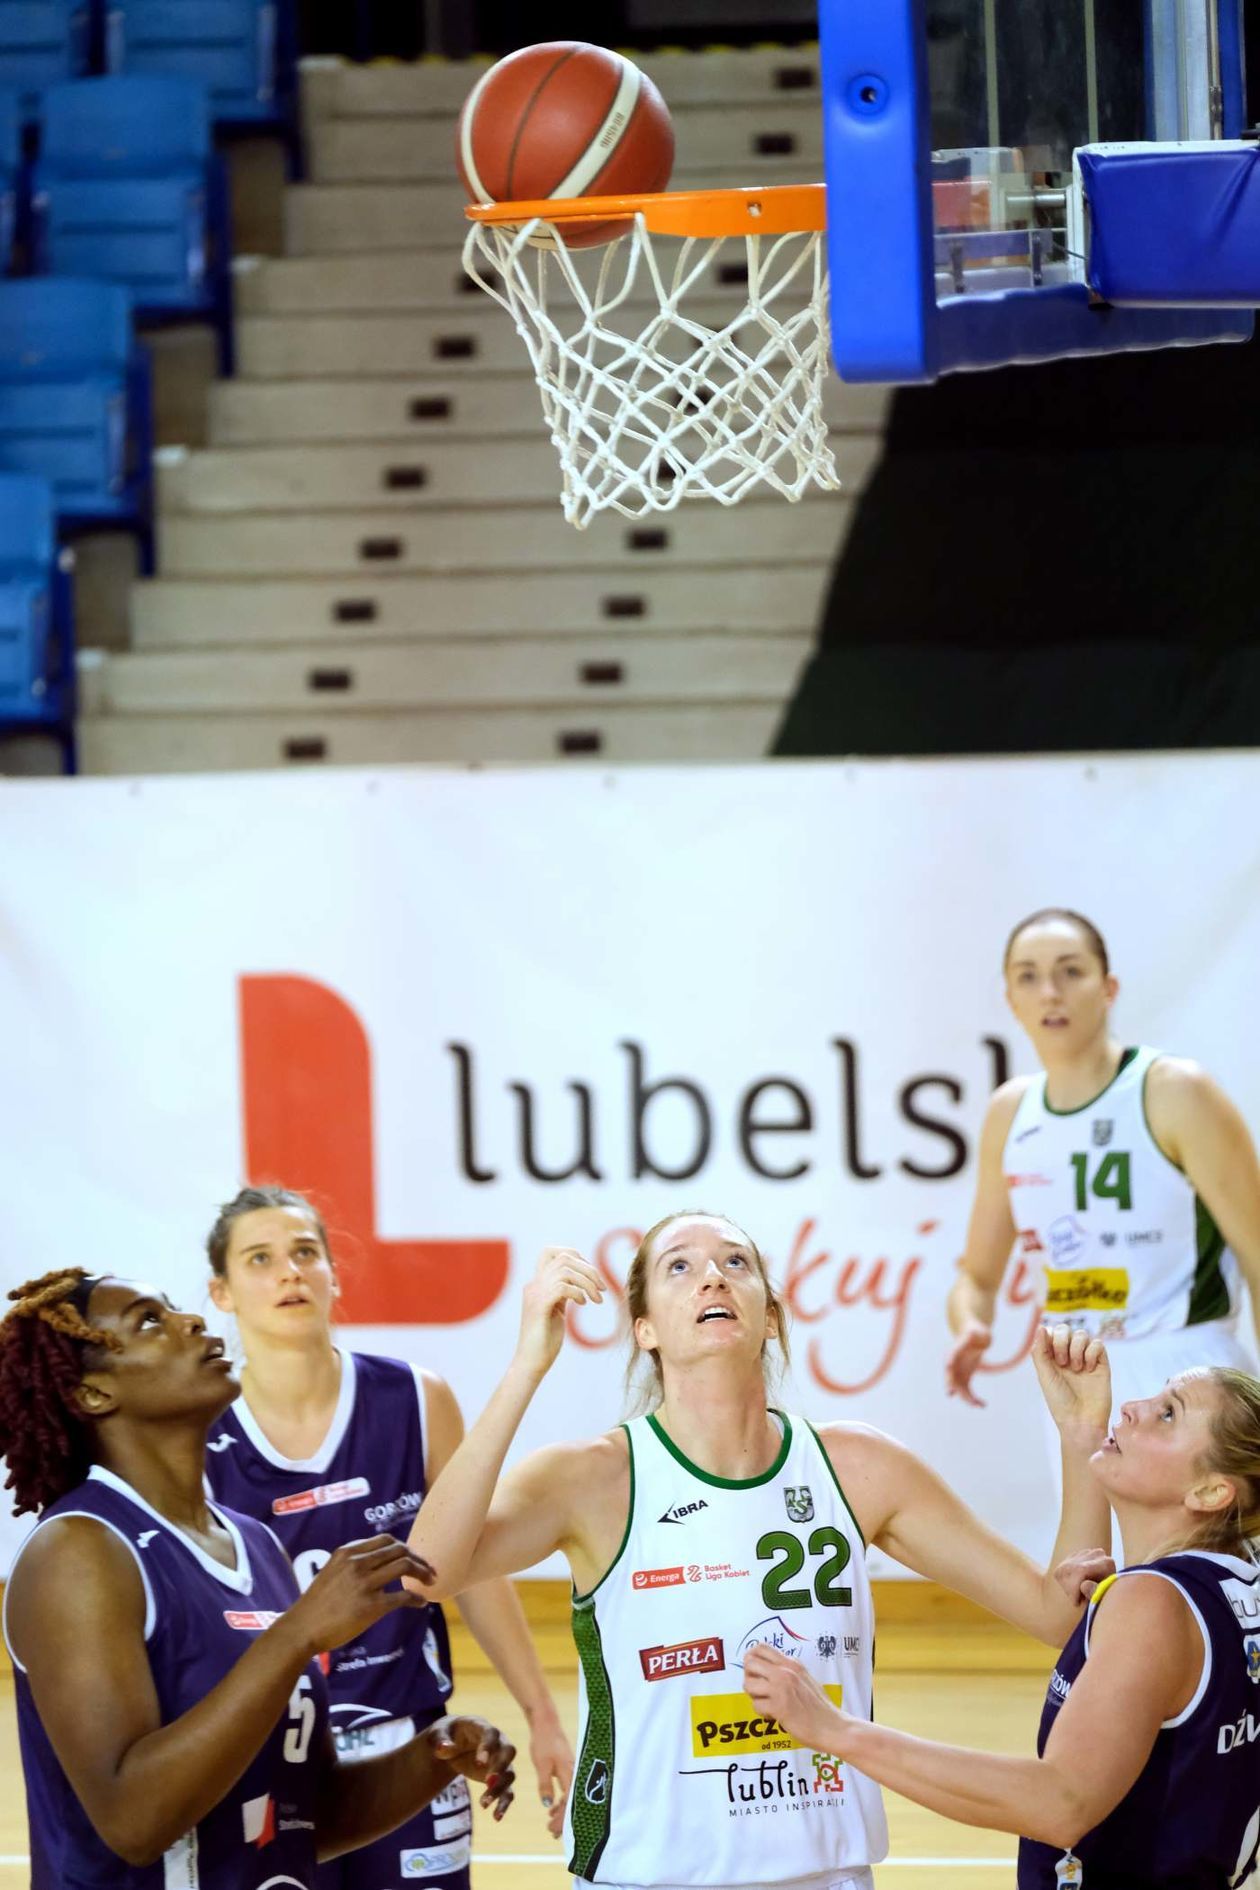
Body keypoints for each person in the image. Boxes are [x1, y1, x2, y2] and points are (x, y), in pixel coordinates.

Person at [405, 1210, 1113, 1890]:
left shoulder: (860, 1467)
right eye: (680, 1267)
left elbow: (1059, 1617)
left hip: (825, 1873)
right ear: (645, 1329)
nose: (712, 1277)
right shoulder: (593, 1477)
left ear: (769, 1317)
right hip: (646, 1876)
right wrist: (526, 1367)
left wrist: (1083, 1441)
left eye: (735, 1263)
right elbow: (429, 1573)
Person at [0, 1266, 516, 1889]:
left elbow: (304, 1817)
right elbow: (133, 1823)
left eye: (173, 1309)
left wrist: (431, 1756)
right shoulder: (79, 1549)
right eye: (148, 1322)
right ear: (93, 1395)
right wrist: (296, 1635)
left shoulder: (255, 1543)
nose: (189, 1322)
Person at [745, 1357, 1260, 1889]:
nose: (1133, 1408)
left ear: (1210, 1493)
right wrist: (1081, 1433)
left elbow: (1061, 1801)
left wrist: (839, 1732)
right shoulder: (1235, 1580)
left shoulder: (1152, 1601)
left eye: (1169, 1414)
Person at [202, 1184, 572, 1890]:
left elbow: (476, 1568)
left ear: (334, 1274)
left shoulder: (414, 1398)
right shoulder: (200, 1436)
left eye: (306, 1252)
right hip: (271, 1756)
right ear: (221, 1291)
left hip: (410, 1747)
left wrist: (541, 1712)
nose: (290, 1272)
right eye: (260, 1258)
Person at [946, 907, 1260, 1416]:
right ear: (1012, 1001)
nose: (1050, 991)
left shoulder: (1175, 1090)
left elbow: (1256, 1254)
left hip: (1188, 1366)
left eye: (1071, 970)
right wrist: (971, 1324)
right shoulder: (1009, 1112)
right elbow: (977, 1279)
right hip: (1075, 1376)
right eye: (1028, 976)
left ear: (1108, 987)